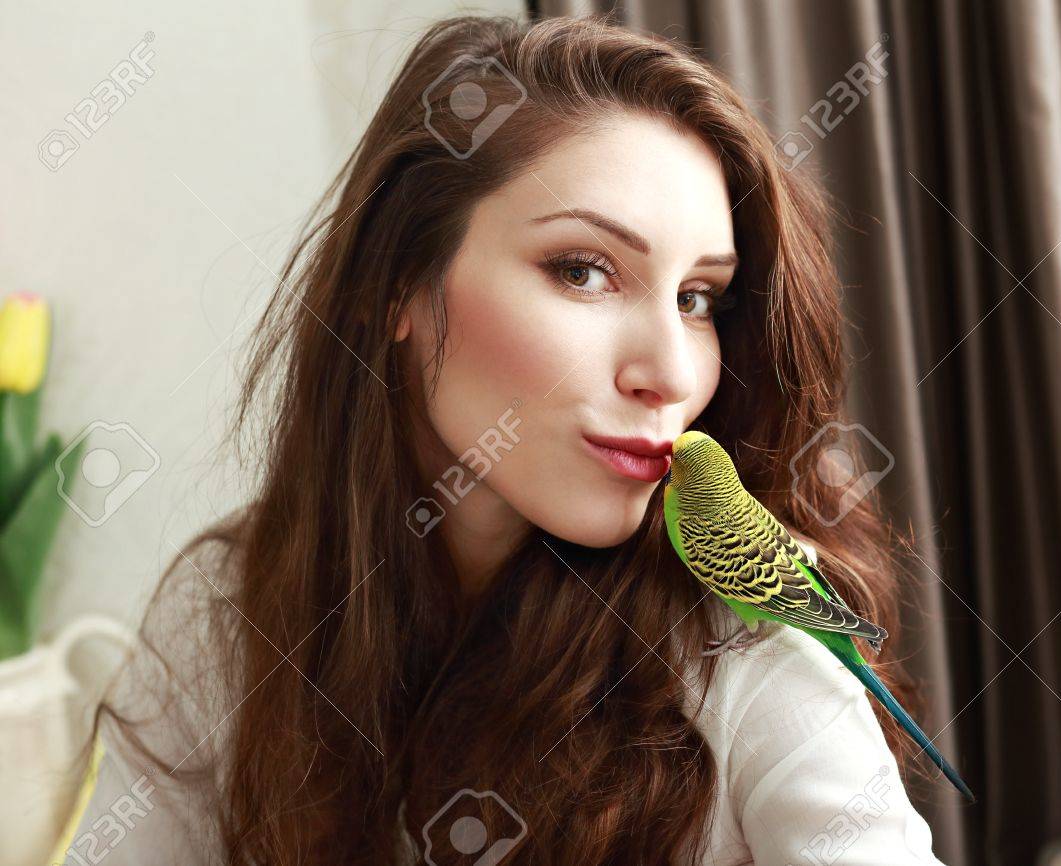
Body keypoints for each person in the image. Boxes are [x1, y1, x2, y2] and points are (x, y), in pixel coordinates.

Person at [65, 13, 954, 865]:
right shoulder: (232, 612)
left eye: (697, 299)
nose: (671, 373)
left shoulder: (751, 658)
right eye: (583, 271)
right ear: (399, 285)